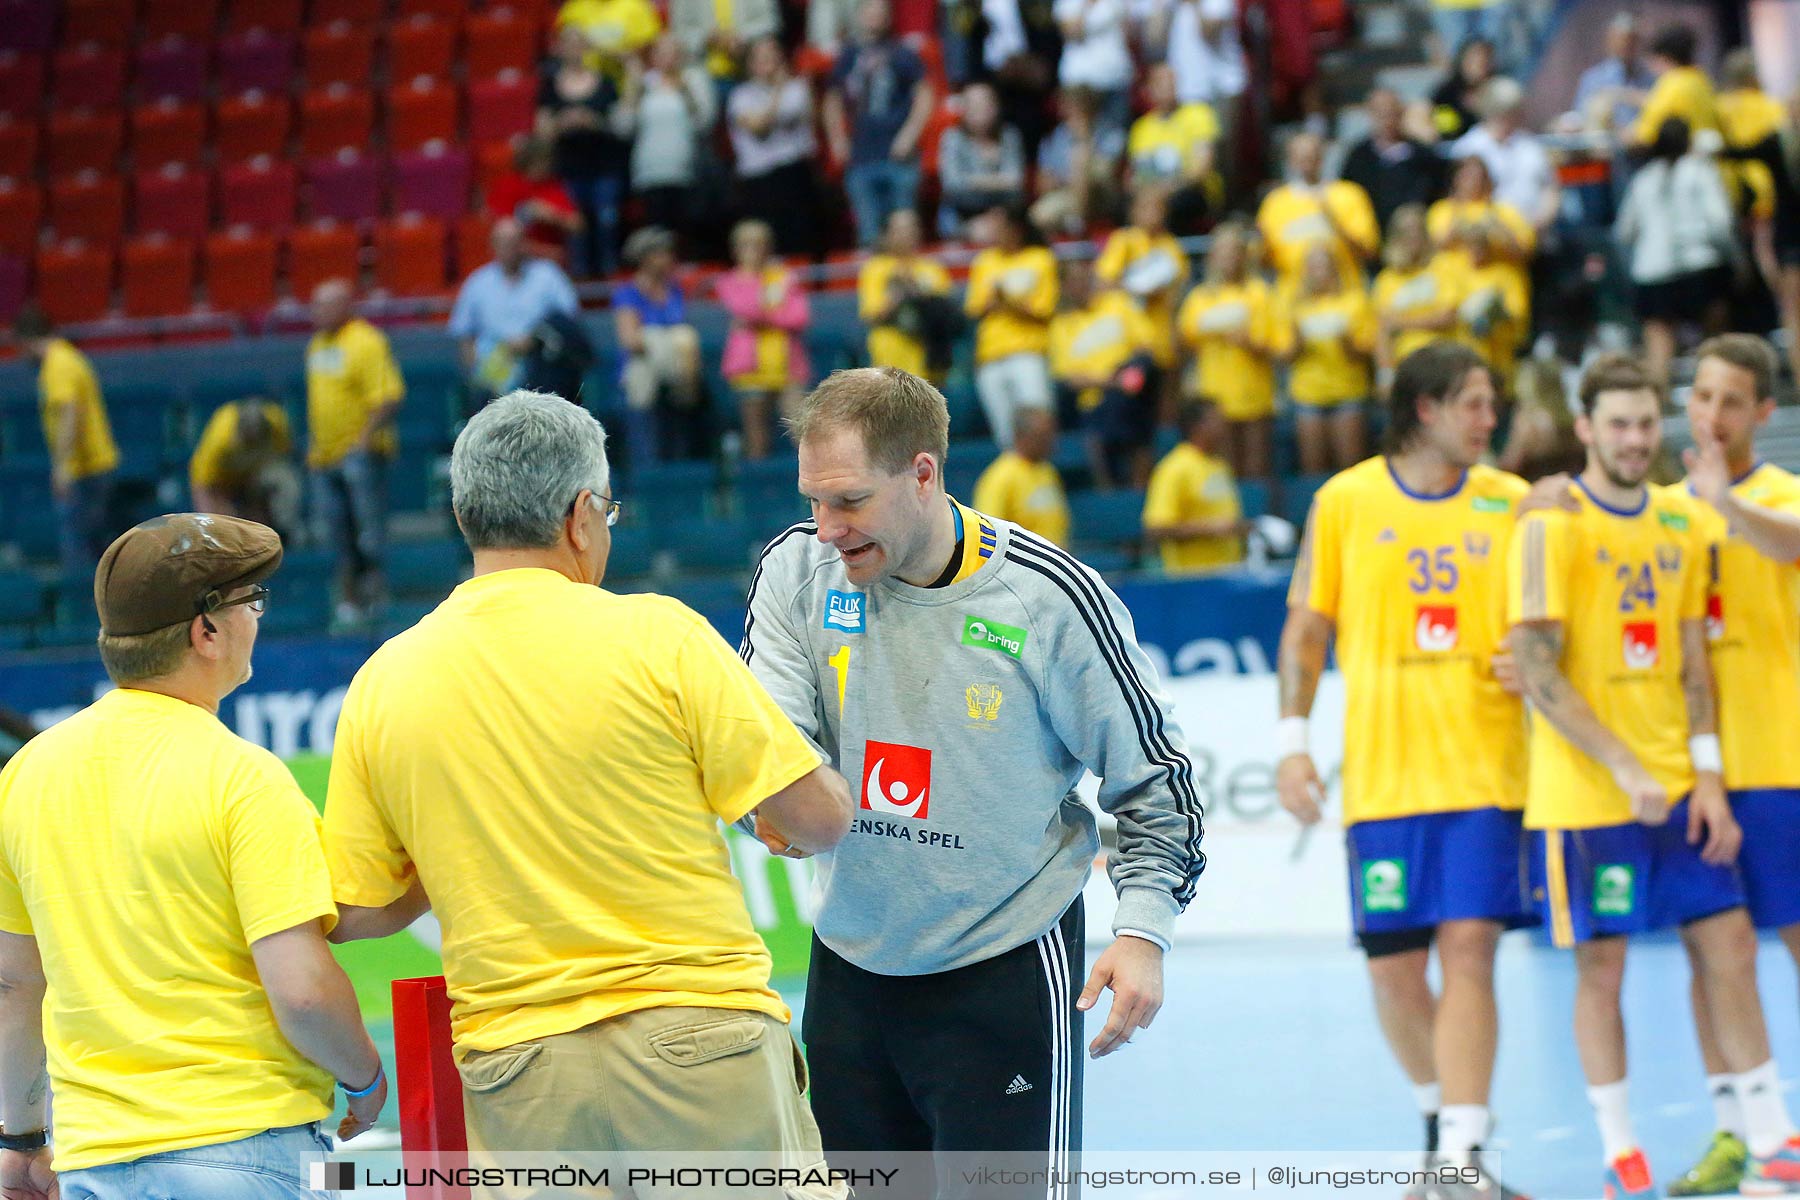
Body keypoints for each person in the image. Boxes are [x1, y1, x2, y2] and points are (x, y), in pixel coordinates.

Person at [323, 391, 851, 1190]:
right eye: (607, 509)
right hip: (701, 1046)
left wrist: (478, 842)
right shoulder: (657, 636)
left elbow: (357, 911)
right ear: (579, 515)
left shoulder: (383, 681)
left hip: (520, 1074)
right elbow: (817, 821)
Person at [741, 366, 1206, 1194]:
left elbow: (1157, 781)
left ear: (923, 474)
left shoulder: (1049, 599)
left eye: (848, 501)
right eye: (812, 500)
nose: (824, 528)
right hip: (850, 968)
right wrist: (763, 809)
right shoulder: (794, 572)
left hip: (1004, 969)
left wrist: (1143, 931)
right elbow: (766, 748)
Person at [0, 513, 387, 1200]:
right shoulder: (244, 776)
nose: (258, 619)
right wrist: (364, 1077)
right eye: (251, 602)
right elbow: (300, 989)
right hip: (243, 1145)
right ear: (205, 631)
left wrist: (23, 1141)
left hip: (95, 1157)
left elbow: (15, 989)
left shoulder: (25, 776)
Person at [1508, 353, 1800, 1200]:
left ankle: (1769, 1140)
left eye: (1647, 424)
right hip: (1589, 796)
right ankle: (1627, 1155)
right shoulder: (1554, 522)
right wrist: (1534, 495)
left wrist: (1698, 776)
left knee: (1732, 946)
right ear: (1587, 428)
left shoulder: (1697, 516)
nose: (1639, 438)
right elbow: (1537, 662)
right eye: (1621, 423)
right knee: (1602, 972)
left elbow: (1691, 665)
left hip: (1700, 783)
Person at [1278, 342, 1534, 1195]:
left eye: (1491, 403)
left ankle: (1465, 1157)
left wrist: (1537, 658)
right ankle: (1441, 1122)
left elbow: (1557, 622)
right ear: (1425, 408)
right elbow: (1307, 632)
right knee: (1393, 967)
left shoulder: (1514, 503)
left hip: (1487, 771)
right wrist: (1291, 743)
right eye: (1474, 402)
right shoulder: (1345, 500)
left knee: (1469, 948)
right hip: (1386, 781)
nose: (1489, 419)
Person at [1664, 334, 1800, 1198]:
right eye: (1702, 396)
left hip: (1782, 761)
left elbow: (1788, 546)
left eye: (1731, 402)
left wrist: (1727, 503)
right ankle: (1740, 1132)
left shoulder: (1782, 494)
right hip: (1694, 771)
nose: (1712, 415)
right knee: (1711, 957)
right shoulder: (1663, 507)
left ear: (1764, 414)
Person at [306, 280, 404, 626]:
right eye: (315, 306)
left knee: (369, 533)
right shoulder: (317, 345)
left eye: (324, 305)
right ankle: (348, 603)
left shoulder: (367, 341)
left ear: (346, 305)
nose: (316, 313)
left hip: (360, 456)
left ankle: (378, 602)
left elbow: (389, 395)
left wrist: (362, 441)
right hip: (324, 458)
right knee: (338, 534)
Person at [1614, 118, 1735, 385]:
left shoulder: (1644, 178)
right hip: (1700, 266)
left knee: (1659, 345)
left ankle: (1657, 408)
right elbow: (1721, 222)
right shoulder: (1700, 171)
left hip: (1653, 271)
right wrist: (1734, 258)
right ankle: (1715, 394)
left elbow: (1625, 231)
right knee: (1714, 342)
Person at [14, 308, 117, 580]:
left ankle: (82, 609)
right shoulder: (69, 357)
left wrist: (62, 467)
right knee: (94, 542)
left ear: (27, 339)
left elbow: (68, 413)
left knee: (79, 546)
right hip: (94, 464)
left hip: (85, 468)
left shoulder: (57, 364)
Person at [823, 0, 933, 248]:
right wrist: (837, 139)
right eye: (870, 10)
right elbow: (832, 100)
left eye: (881, 11)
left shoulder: (902, 53)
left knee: (905, 229)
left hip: (899, 155)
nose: (875, 16)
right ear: (860, 15)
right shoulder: (848, 55)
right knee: (869, 232)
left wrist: (910, 135)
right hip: (861, 155)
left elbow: (925, 94)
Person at [1175, 220, 1278, 484]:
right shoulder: (1199, 298)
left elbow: (1275, 345)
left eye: (1234, 251)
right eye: (1223, 251)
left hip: (1254, 393)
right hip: (1214, 397)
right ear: (1212, 257)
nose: (1228, 258)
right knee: (1224, 471)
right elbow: (1183, 342)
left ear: (1244, 255)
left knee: (1256, 470)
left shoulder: (1259, 292)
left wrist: (1247, 342)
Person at [1049, 256, 1156, 489]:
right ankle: (1108, 494)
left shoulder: (1117, 304)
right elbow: (1069, 379)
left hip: (1132, 387)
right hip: (1095, 400)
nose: (1082, 285)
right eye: (1075, 281)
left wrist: (1124, 376)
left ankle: (1140, 488)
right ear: (1065, 287)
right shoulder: (1061, 325)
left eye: (1085, 278)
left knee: (1133, 398)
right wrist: (1112, 381)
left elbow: (1145, 346)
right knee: (1104, 415)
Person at [448, 218, 581, 399]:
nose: (510, 249)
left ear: (525, 243)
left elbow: (569, 322)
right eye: (503, 243)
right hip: (493, 379)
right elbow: (464, 335)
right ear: (492, 246)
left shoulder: (549, 276)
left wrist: (534, 340)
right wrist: (477, 376)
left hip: (543, 371)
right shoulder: (477, 283)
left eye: (515, 242)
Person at [536, 26, 631, 278]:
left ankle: (609, 277)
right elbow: (542, 131)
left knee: (606, 221)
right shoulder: (551, 87)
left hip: (603, 166)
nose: (574, 50)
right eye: (569, 44)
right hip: (569, 168)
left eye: (579, 43)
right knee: (575, 227)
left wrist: (593, 121)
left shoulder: (604, 84)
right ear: (560, 49)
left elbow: (622, 125)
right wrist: (562, 123)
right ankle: (579, 280)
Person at [964, 203, 1058, 449]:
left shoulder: (1040, 259)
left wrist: (1007, 301)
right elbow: (975, 308)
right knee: (1006, 435)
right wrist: (998, 302)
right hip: (991, 357)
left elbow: (1043, 311)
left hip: (1028, 353)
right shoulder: (984, 262)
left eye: (999, 225)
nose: (993, 231)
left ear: (1015, 229)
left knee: (1038, 422)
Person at [717, 218, 810, 461]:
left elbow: (799, 317)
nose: (754, 251)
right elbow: (745, 308)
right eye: (747, 245)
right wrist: (774, 311)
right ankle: (759, 492)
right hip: (749, 367)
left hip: (787, 365)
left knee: (802, 432)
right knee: (757, 437)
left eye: (759, 245)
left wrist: (763, 318)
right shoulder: (730, 281)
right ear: (736, 250)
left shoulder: (785, 277)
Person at [613, 226, 705, 464]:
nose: (669, 259)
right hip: (645, 371)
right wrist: (666, 343)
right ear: (645, 258)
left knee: (686, 339)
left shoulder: (674, 291)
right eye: (661, 253)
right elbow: (630, 340)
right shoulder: (628, 293)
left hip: (676, 376)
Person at [1095, 185, 1189, 417]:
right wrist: (1138, 288)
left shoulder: (1171, 246)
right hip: (1129, 341)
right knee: (1131, 408)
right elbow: (1104, 284)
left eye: (1158, 208)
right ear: (1134, 211)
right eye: (1146, 207)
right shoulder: (1123, 241)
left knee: (1166, 407)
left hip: (1162, 338)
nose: (1153, 214)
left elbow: (1177, 291)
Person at [1283, 243, 1376, 474]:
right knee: (1313, 467)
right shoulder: (1295, 306)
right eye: (1312, 266)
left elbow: (1365, 352)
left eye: (1323, 265)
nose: (1318, 272)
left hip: (1348, 390)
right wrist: (1299, 342)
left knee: (1350, 464)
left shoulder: (1355, 301)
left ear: (1335, 268)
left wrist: (1346, 342)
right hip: (1309, 393)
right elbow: (1285, 356)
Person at [1254, 131, 1379, 297]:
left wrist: (1334, 222)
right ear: (1290, 160)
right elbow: (1264, 264)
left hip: (1344, 299)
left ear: (1322, 156)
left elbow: (1369, 252)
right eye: (1301, 156)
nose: (1307, 162)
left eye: (1312, 155)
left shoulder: (1349, 195)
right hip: (1294, 302)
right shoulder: (1274, 202)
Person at [728, 36, 821, 257]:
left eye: (773, 58)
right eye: (762, 59)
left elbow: (810, 122)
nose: (769, 64)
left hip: (793, 172)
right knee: (767, 241)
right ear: (750, 64)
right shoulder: (741, 95)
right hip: (759, 178)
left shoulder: (797, 89)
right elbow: (759, 128)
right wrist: (778, 91)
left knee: (800, 239)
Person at [621, 35, 718, 247]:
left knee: (685, 234)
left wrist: (685, 91)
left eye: (673, 52)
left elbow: (704, 123)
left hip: (686, 170)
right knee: (656, 237)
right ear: (653, 57)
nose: (668, 58)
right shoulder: (643, 83)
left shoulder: (694, 80)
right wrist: (632, 90)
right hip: (650, 170)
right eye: (661, 53)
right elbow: (623, 127)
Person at [1141, 399, 1247, 574]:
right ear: (1197, 426)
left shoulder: (1219, 465)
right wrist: (1210, 528)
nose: (1224, 425)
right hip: (1191, 581)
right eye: (1216, 419)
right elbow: (1156, 527)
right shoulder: (1175, 467)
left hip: (1229, 576)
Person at [1451, 77, 1559, 235]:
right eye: (1509, 112)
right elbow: (1459, 195)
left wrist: (1540, 222)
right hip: (1485, 239)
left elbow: (1551, 188)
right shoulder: (1468, 147)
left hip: (1532, 234)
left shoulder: (1530, 145)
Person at [858, 208, 954, 382]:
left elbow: (946, 315)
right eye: (900, 230)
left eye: (912, 228)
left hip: (929, 364)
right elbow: (871, 315)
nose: (907, 234)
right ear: (886, 235)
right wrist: (899, 292)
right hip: (890, 365)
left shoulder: (932, 269)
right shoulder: (875, 268)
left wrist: (920, 291)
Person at [1125, 63, 1221, 235]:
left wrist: (1164, 190)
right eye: (1161, 82)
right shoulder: (1141, 128)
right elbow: (1135, 174)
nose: (1168, 87)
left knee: (1177, 204)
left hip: (1190, 192)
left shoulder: (1198, 115)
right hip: (1152, 195)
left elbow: (1201, 169)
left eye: (1172, 81)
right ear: (1149, 89)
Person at [189, 397, 300, 542]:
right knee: (223, 522)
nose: (251, 446)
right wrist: (211, 523)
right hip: (225, 479)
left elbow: (283, 456)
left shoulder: (277, 421)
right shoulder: (219, 440)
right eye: (248, 441)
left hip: (258, 470)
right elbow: (201, 485)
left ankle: (283, 535)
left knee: (286, 482)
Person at [1371, 204, 1461, 383]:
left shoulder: (1443, 266)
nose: (1412, 236)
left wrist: (1400, 322)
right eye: (1405, 231)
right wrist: (1385, 374)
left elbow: (1448, 317)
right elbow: (1382, 332)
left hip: (1442, 362)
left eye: (1417, 230)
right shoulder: (1386, 279)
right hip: (1405, 367)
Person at [1341, 88, 1448, 233]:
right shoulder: (1358, 157)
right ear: (1370, 114)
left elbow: (1438, 195)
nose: (1387, 118)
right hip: (1374, 236)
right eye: (1381, 113)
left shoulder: (1424, 156)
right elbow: (1348, 196)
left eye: (1392, 112)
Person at [937, 81, 1026, 239]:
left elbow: (1015, 180)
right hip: (962, 214)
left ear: (996, 107)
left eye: (986, 104)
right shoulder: (952, 138)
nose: (981, 111)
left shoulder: (1009, 136)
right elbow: (952, 183)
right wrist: (998, 182)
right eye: (974, 106)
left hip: (1003, 213)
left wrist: (972, 181)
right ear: (963, 109)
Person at [1031, 85, 1125, 236]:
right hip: (1065, 194)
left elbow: (1106, 172)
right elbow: (1043, 180)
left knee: (1083, 165)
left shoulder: (1110, 132)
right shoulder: (1057, 135)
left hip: (1101, 196)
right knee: (1039, 215)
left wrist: (1083, 139)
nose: (1069, 111)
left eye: (1076, 105)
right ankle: (1075, 224)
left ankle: (1078, 222)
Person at [972, 405, 1069, 546]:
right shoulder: (1001, 477)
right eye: (1042, 437)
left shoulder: (1047, 470)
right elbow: (987, 533)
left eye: (1051, 435)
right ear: (1021, 436)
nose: (1050, 442)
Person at [486, 135, 585, 265]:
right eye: (543, 160)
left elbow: (578, 224)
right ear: (529, 160)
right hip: (517, 257)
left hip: (550, 260)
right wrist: (542, 251)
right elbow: (501, 231)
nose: (548, 165)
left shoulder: (553, 186)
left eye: (549, 160)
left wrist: (552, 216)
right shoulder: (508, 185)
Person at [1494, 358, 1582, 482]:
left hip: (1534, 491)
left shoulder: (1527, 419)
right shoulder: (1573, 419)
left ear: (1531, 383)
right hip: (1570, 489)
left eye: (1522, 378)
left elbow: (1509, 466)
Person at [1633, 23, 1718, 150]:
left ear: (1664, 58)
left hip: (1682, 162)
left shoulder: (1672, 84)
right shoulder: (1701, 79)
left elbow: (1644, 137)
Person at [1051, 0, 1131, 135]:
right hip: (1080, 80)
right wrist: (1088, 4)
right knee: (1080, 135)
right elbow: (1073, 32)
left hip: (1115, 77)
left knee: (1115, 137)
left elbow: (1127, 30)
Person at [1572, 12, 1652, 137]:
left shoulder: (1651, 77)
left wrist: (1623, 94)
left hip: (1641, 146)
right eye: (1621, 40)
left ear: (1638, 42)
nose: (1625, 45)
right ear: (1610, 41)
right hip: (1604, 147)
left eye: (1631, 40)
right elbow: (1580, 115)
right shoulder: (1594, 78)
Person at [555, 0, 662, 69]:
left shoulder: (636, 6)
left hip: (624, 81)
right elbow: (561, 44)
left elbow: (649, 47)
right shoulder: (574, 7)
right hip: (584, 83)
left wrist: (612, 53)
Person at [1428, 37, 1496, 143]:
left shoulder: (1500, 89)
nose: (1479, 65)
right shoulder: (1447, 93)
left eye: (1484, 60)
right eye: (1474, 60)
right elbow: (1445, 129)